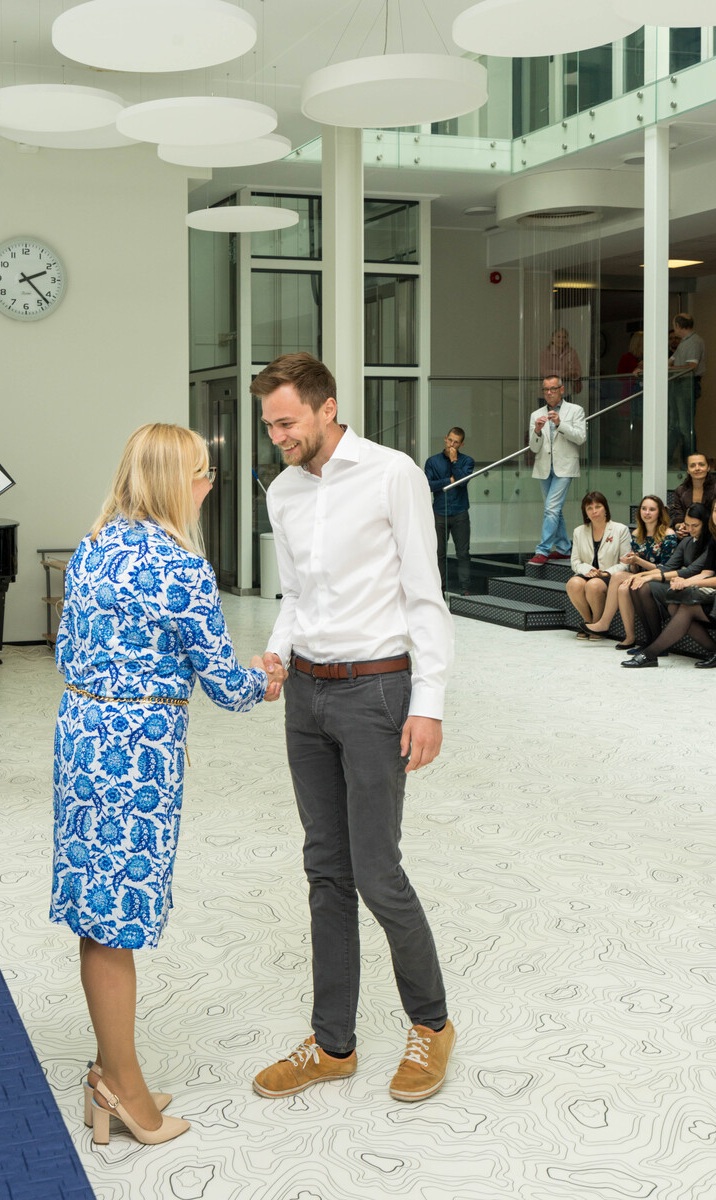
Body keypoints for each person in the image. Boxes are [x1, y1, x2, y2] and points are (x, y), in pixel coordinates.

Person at [50, 423, 285, 1146]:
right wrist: (266, 678)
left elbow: (64, 647)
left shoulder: (93, 546)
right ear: (175, 482)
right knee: (115, 920)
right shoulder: (181, 566)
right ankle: (122, 1089)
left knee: (97, 912)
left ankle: (109, 1070)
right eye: (202, 473)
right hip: (136, 755)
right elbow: (226, 685)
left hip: (81, 735)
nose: (208, 486)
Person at [249, 352, 455, 1104]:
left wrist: (428, 701)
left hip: (377, 692)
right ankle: (333, 1043)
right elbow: (294, 595)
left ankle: (431, 1024)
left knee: (376, 872)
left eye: (287, 422)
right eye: (269, 425)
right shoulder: (282, 491)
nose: (278, 437)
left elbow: (425, 594)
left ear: (327, 407)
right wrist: (277, 653)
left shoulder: (392, 474)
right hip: (306, 696)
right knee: (325, 871)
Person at [622, 497, 716, 668]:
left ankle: (650, 653)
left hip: (706, 591)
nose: (689, 529)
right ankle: (652, 646)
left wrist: (685, 582)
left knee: (682, 606)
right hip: (698, 586)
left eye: (695, 526)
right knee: (672, 605)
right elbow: (704, 572)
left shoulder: (709, 541)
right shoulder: (696, 541)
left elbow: (691, 571)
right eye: (687, 525)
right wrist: (643, 575)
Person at [585, 494, 677, 649]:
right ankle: (629, 637)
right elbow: (635, 568)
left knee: (618, 576)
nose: (647, 512)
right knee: (622, 588)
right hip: (640, 576)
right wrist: (632, 562)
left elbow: (666, 568)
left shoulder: (668, 534)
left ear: (659, 512)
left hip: (660, 578)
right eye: (644, 509)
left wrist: (638, 561)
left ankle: (604, 623)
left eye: (652, 509)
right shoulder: (636, 534)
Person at [527, 376, 587, 566]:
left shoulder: (575, 410)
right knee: (554, 510)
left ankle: (542, 550)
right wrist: (537, 431)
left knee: (551, 508)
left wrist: (560, 424)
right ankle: (564, 548)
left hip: (565, 467)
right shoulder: (536, 414)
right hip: (544, 467)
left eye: (553, 389)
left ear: (562, 389)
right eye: (545, 389)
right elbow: (534, 448)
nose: (549, 393)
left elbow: (580, 438)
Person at [565, 491, 631, 639]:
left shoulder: (620, 530)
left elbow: (625, 562)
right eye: (589, 508)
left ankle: (598, 623)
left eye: (598, 507)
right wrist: (588, 570)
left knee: (593, 585)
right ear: (585, 512)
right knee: (573, 584)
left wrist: (606, 573)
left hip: (610, 576)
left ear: (605, 508)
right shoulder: (579, 531)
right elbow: (575, 561)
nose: (594, 511)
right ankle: (588, 622)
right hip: (587, 573)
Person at [424, 426, 474, 595]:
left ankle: (465, 589)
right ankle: (440, 590)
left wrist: (454, 461)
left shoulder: (467, 461)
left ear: (462, 444)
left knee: (463, 553)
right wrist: (448, 480)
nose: (452, 445)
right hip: (439, 513)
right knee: (439, 554)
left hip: (460, 513)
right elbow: (428, 485)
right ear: (445, 438)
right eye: (450, 440)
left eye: (456, 442)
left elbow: (463, 482)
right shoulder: (432, 461)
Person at [669, 314, 706, 465]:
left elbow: (692, 366)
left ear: (678, 326)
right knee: (674, 425)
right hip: (678, 385)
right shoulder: (684, 342)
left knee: (685, 426)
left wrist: (669, 369)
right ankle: (666, 460)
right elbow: (670, 361)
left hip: (687, 384)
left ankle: (690, 462)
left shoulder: (694, 341)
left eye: (674, 325)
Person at [667, 452, 716, 533]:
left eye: (701, 464)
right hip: (689, 533)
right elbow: (678, 518)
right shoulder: (680, 491)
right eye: (692, 466)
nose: (697, 468)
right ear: (688, 470)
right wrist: (680, 528)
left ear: (708, 468)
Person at [539, 328, 582, 394]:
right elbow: (544, 372)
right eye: (559, 337)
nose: (562, 339)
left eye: (564, 337)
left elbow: (578, 371)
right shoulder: (545, 353)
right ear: (552, 339)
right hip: (548, 393)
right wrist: (563, 374)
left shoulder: (572, 352)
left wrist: (573, 374)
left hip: (565, 392)